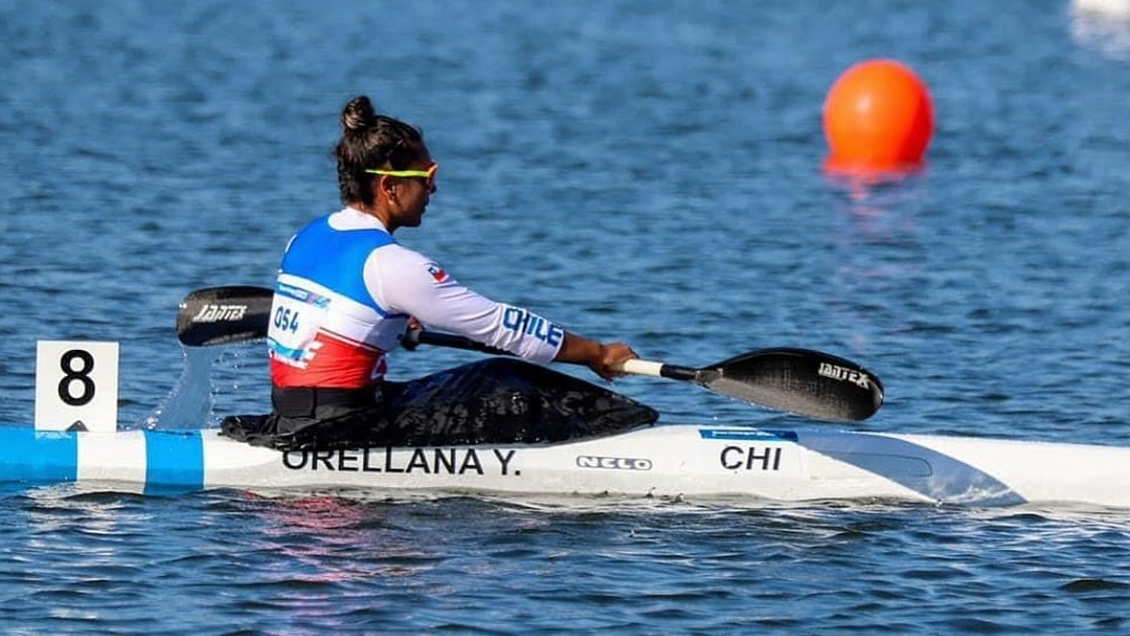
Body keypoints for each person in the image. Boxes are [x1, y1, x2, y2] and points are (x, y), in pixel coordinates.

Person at [222, 95, 653, 450]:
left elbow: (333, 316)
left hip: (294, 414)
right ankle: (624, 451)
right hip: (343, 429)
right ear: (390, 186)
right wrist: (597, 354)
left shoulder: (306, 236)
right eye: (427, 177)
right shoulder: (392, 264)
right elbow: (504, 328)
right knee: (509, 379)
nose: (434, 189)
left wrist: (391, 323)